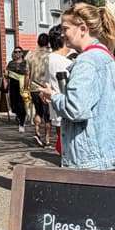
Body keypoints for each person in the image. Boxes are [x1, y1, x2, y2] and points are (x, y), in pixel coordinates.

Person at [37, 4, 115, 170]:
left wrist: (53, 96)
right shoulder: (104, 55)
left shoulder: (86, 61)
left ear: (82, 28)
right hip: (108, 153)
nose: (62, 33)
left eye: (65, 28)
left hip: (93, 159)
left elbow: (75, 109)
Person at [46, 25, 72, 153]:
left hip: (54, 106)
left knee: (62, 141)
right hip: (66, 107)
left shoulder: (49, 59)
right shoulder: (65, 63)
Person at [25, 33, 53, 147]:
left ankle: (37, 131)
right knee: (47, 115)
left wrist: (26, 88)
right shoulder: (50, 56)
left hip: (34, 87)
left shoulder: (30, 55)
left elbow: (27, 73)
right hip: (45, 87)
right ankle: (47, 139)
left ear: (38, 42)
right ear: (48, 43)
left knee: (38, 111)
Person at [3, 48, 29, 132]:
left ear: (22, 53)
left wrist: (26, 86)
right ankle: (19, 116)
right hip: (13, 86)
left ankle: (22, 123)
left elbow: (28, 74)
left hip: (23, 85)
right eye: (15, 52)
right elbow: (6, 75)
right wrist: (5, 81)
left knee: (22, 104)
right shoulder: (11, 63)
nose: (17, 53)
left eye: (19, 52)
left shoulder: (26, 63)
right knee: (14, 105)